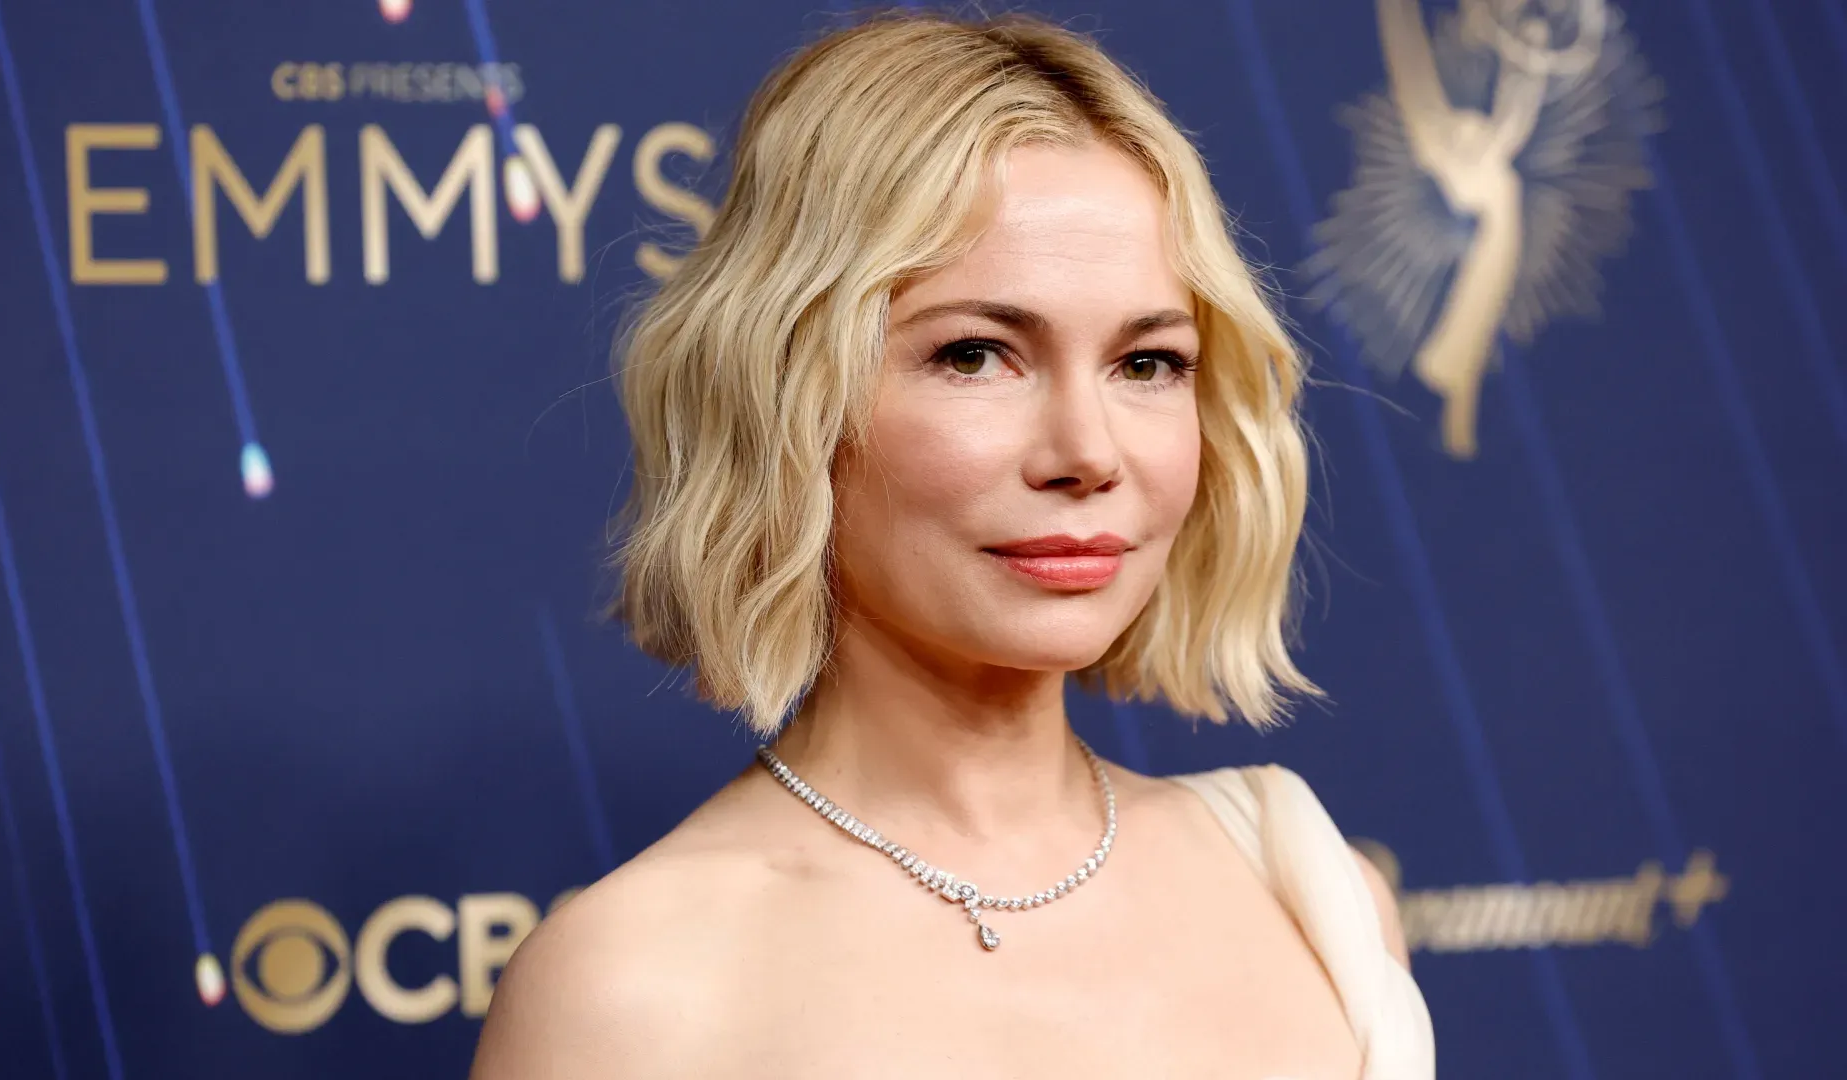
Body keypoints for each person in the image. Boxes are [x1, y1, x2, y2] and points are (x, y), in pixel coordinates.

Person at [469, 10, 1433, 1079]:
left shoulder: (1313, 895)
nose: (1086, 452)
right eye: (977, 354)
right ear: (788, 399)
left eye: (1148, 363)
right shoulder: (631, 993)